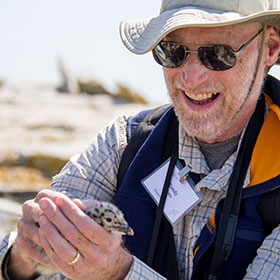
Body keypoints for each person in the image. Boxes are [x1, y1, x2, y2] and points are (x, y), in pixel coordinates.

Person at [1, 0, 280, 279]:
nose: (191, 79)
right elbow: (29, 254)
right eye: (173, 52)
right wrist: (24, 256)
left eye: (218, 54)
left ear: (270, 48)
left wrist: (118, 272)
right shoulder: (123, 142)